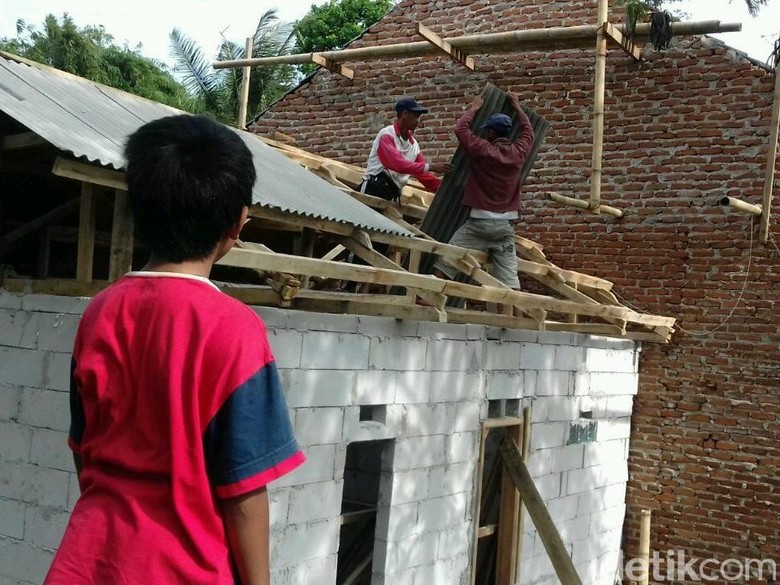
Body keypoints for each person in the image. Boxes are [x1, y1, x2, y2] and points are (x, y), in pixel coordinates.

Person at [44, 115, 304, 585]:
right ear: (238, 223)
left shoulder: (99, 313)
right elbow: (243, 491)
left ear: (137, 211)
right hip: (184, 568)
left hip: (86, 560)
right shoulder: (235, 330)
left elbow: (83, 447)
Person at [433, 92, 535, 291]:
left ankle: (428, 297)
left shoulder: (482, 149)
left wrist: (474, 107)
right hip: (504, 228)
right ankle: (516, 317)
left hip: (478, 224)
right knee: (509, 278)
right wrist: (517, 106)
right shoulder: (519, 152)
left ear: (490, 133)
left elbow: (460, 128)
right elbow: (528, 131)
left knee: (449, 257)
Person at [360, 96, 449, 201]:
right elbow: (397, 164)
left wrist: (446, 189)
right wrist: (432, 167)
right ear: (405, 114)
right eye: (415, 116)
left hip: (391, 193)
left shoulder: (413, 145)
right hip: (374, 188)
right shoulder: (387, 135)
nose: (418, 120)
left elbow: (423, 175)